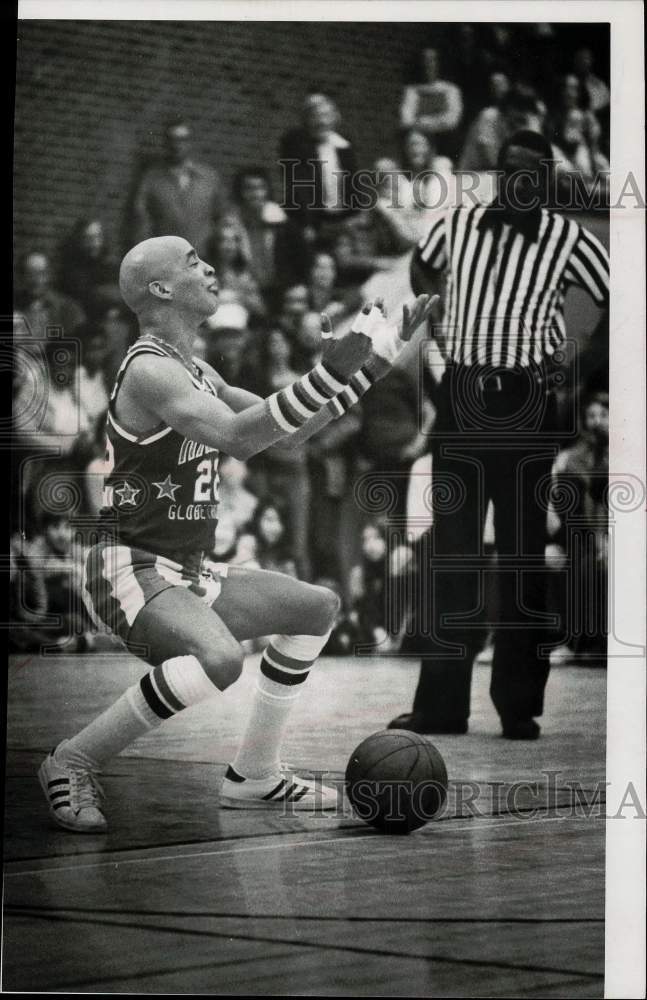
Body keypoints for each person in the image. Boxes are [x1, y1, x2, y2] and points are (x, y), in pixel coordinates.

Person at [37, 232, 436, 831]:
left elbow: (288, 433)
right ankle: (71, 761)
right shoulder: (149, 371)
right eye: (194, 262)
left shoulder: (194, 369)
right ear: (162, 288)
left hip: (186, 570)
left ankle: (255, 775)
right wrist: (328, 371)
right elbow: (240, 438)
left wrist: (377, 359)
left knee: (315, 607)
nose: (211, 268)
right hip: (126, 565)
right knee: (220, 659)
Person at [389, 130, 609, 740]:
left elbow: (617, 298)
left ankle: (519, 707)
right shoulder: (457, 223)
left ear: (545, 181)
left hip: (526, 403)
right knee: (450, 554)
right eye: (509, 172)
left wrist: (575, 375)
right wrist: (437, 333)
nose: (519, 184)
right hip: (461, 398)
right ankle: (441, 707)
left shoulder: (569, 238)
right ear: (498, 174)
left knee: (521, 556)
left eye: (531, 176)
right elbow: (422, 263)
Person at [132, 120, 225, 256]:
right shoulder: (151, 180)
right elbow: (142, 220)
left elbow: (222, 216)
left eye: (182, 140)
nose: (177, 145)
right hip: (166, 261)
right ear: (166, 143)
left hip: (202, 260)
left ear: (190, 142)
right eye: (172, 140)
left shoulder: (209, 178)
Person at [279, 93, 358, 237]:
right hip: (313, 222)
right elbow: (299, 185)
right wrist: (306, 223)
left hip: (343, 220)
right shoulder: (296, 144)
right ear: (306, 120)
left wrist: (355, 216)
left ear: (335, 117)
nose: (322, 121)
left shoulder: (343, 144)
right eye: (315, 116)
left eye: (326, 115)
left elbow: (354, 182)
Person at [399, 48, 463, 157]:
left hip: (444, 140)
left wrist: (425, 122)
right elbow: (406, 120)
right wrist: (437, 122)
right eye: (425, 60)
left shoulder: (450, 90)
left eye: (432, 60)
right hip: (420, 141)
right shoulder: (412, 91)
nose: (428, 64)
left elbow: (452, 120)